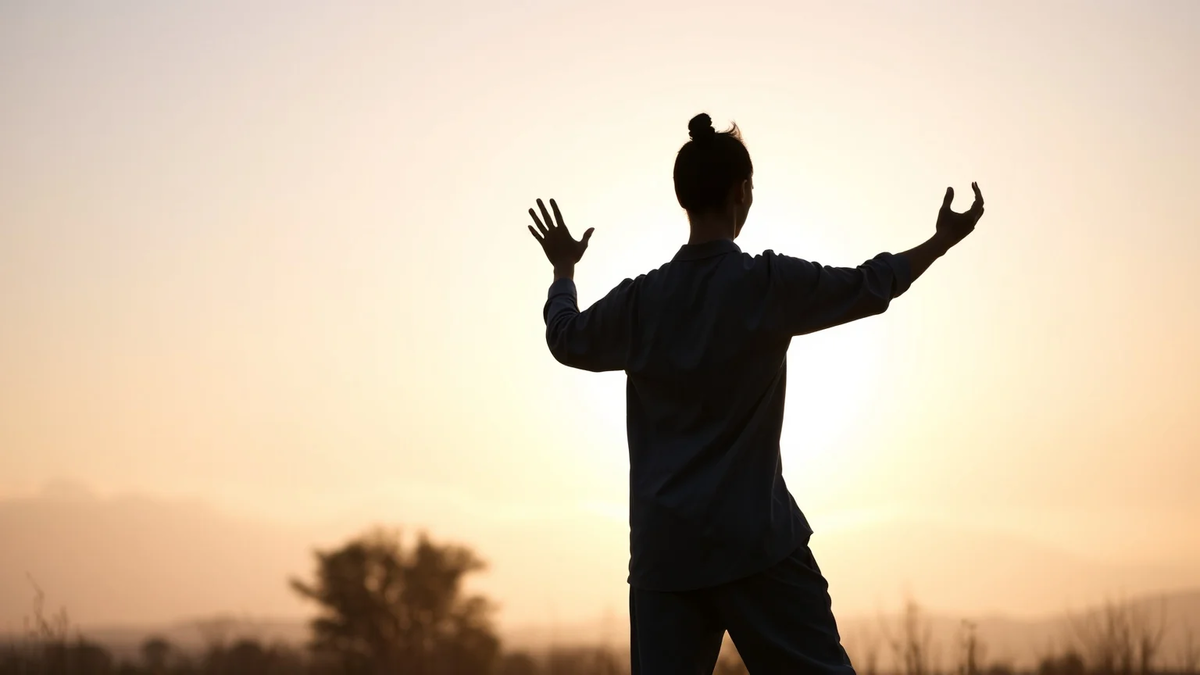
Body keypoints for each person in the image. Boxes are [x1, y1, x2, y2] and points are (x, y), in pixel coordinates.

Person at [525, 113, 985, 675]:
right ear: (741, 193)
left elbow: (566, 338)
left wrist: (564, 271)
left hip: (665, 557)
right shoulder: (766, 284)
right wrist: (940, 241)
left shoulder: (641, 303)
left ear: (684, 198)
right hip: (757, 544)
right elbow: (869, 284)